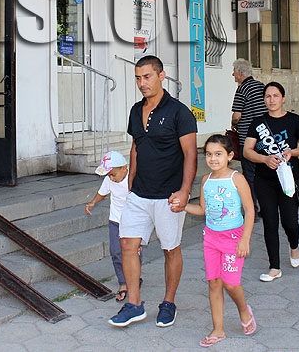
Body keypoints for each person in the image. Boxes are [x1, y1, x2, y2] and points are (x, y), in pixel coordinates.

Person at [109, 55, 197, 328]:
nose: (141, 83)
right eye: (138, 78)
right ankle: (134, 304)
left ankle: (168, 302)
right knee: (127, 245)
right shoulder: (136, 110)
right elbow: (136, 146)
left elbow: (190, 153)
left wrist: (185, 190)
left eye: (146, 77)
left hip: (168, 195)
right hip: (139, 193)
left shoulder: (179, 112)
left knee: (170, 249)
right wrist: (130, 181)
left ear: (161, 76)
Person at [183, 134, 256, 347]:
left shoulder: (236, 178)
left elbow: (250, 210)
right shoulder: (206, 180)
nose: (213, 159)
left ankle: (244, 310)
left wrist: (245, 239)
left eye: (218, 154)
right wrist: (182, 206)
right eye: (209, 154)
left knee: (231, 284)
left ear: (229, 155)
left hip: (233, 239)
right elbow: (203, 210)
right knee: (214, 282)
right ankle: (218, 330)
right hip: (211, 239)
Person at [243, 82, 299, 282]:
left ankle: (294, 244)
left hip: (288, 179)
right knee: (270, 222)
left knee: (290, 222)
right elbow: (247, 151)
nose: (271, 100)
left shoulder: (295, 120)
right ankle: (274, 267)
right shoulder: (258, 123)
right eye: (268, 96)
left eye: (275, 96)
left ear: (283, 98)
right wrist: (264, 159)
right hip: (264, 180)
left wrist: (292, 152)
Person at [86, 151, 140, 303]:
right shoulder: (109, 180)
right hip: (115, 221)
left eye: (113, 175)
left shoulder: (133, 178)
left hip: (133, 222)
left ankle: (134, 278)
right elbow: (102, 193)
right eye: (109, 175)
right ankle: (123, 282)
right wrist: (93, 202)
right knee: (116, 251)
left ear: (124, 168)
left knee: (134, 252)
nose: (111, 178)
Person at [231, 58, 266, 216]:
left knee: (249, 175)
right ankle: (265, 208)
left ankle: (252, 210)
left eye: (234, 72)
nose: (233, 75)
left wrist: (233, 123)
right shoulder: (261, 86)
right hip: (263, 139)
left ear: (240, 72)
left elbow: (237, 115)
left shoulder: (242, 89)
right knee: (262, 174)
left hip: (247, 140)